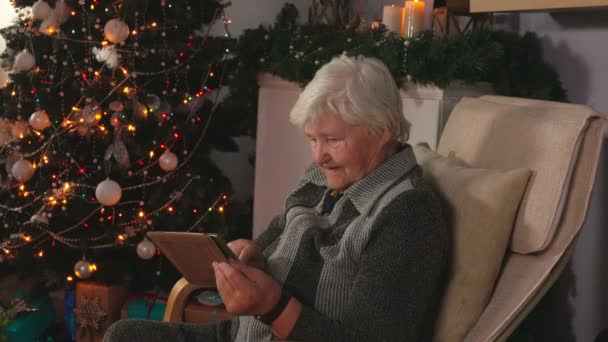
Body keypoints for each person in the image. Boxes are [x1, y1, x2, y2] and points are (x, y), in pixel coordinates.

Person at [104, 55, 450, 342]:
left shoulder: (408, 213)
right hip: (243, 334)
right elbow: (268, 246)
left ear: (383, 129)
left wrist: (271, 304)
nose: (319, 156)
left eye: (331, 140)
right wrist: (252, 256)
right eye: (312, 139)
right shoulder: (320, 179)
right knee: (124, 335)